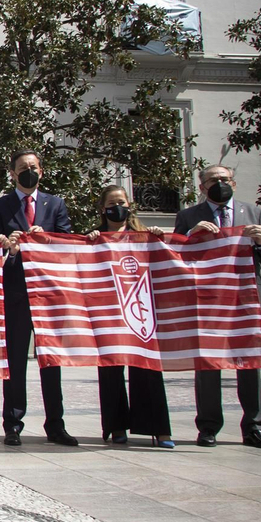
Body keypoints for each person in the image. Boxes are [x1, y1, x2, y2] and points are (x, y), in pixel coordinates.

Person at [174, 164, 261, 449]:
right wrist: (190, 236)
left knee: (250, 365)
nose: (219, 183)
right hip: (207, 304)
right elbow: (175, 257)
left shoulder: (254, 213)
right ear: (202, 186)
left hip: (245, 301)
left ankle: (255, 427)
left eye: (225, 179)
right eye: (213, 180)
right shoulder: (188, 216)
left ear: (233, 184)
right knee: (208, 366)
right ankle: (208, 427)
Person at [0, 149, 76, 447]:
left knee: (51, 361)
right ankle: (12, 423)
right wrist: (5, 245)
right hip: (14, 293)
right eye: (23, 168)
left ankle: (56, 424)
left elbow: (67, 243)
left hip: (48, 295)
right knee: (14, 362)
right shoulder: (0, 205)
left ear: (42, 170)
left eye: (34, 167)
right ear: (12, 173)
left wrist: (45, 239)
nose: (29, 172)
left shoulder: (56, 203)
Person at [87, 186, 174, 449]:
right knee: (111, 369)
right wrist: (87, 241)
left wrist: (160, 238)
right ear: (103, 209)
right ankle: (116, 426)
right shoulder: (96, 237)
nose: (118, 207)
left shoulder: (144, 236)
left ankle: (158, 429)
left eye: (122, 202)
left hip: (139, 310)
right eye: (112, 203)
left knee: (147, 369)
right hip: (108, 312)